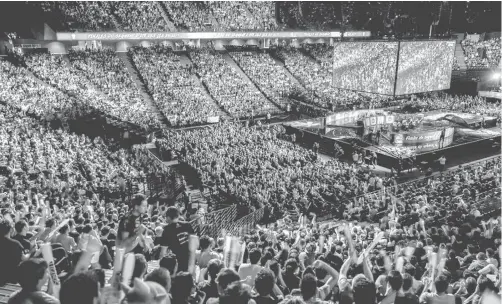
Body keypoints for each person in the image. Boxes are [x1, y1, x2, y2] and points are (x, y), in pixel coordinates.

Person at [159, 206, 195, 272]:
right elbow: (194, 242)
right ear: (178, 216)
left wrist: (161, 267)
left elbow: (163, 251)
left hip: (175, 263)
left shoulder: (167, 230)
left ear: (168, 217)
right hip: (189, 260)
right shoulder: (187, 225)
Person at [0, 218, 32, 285]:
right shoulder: (15, 244)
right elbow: (24, 258)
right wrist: (31, 252)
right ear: (11, 230)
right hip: (12, 278)